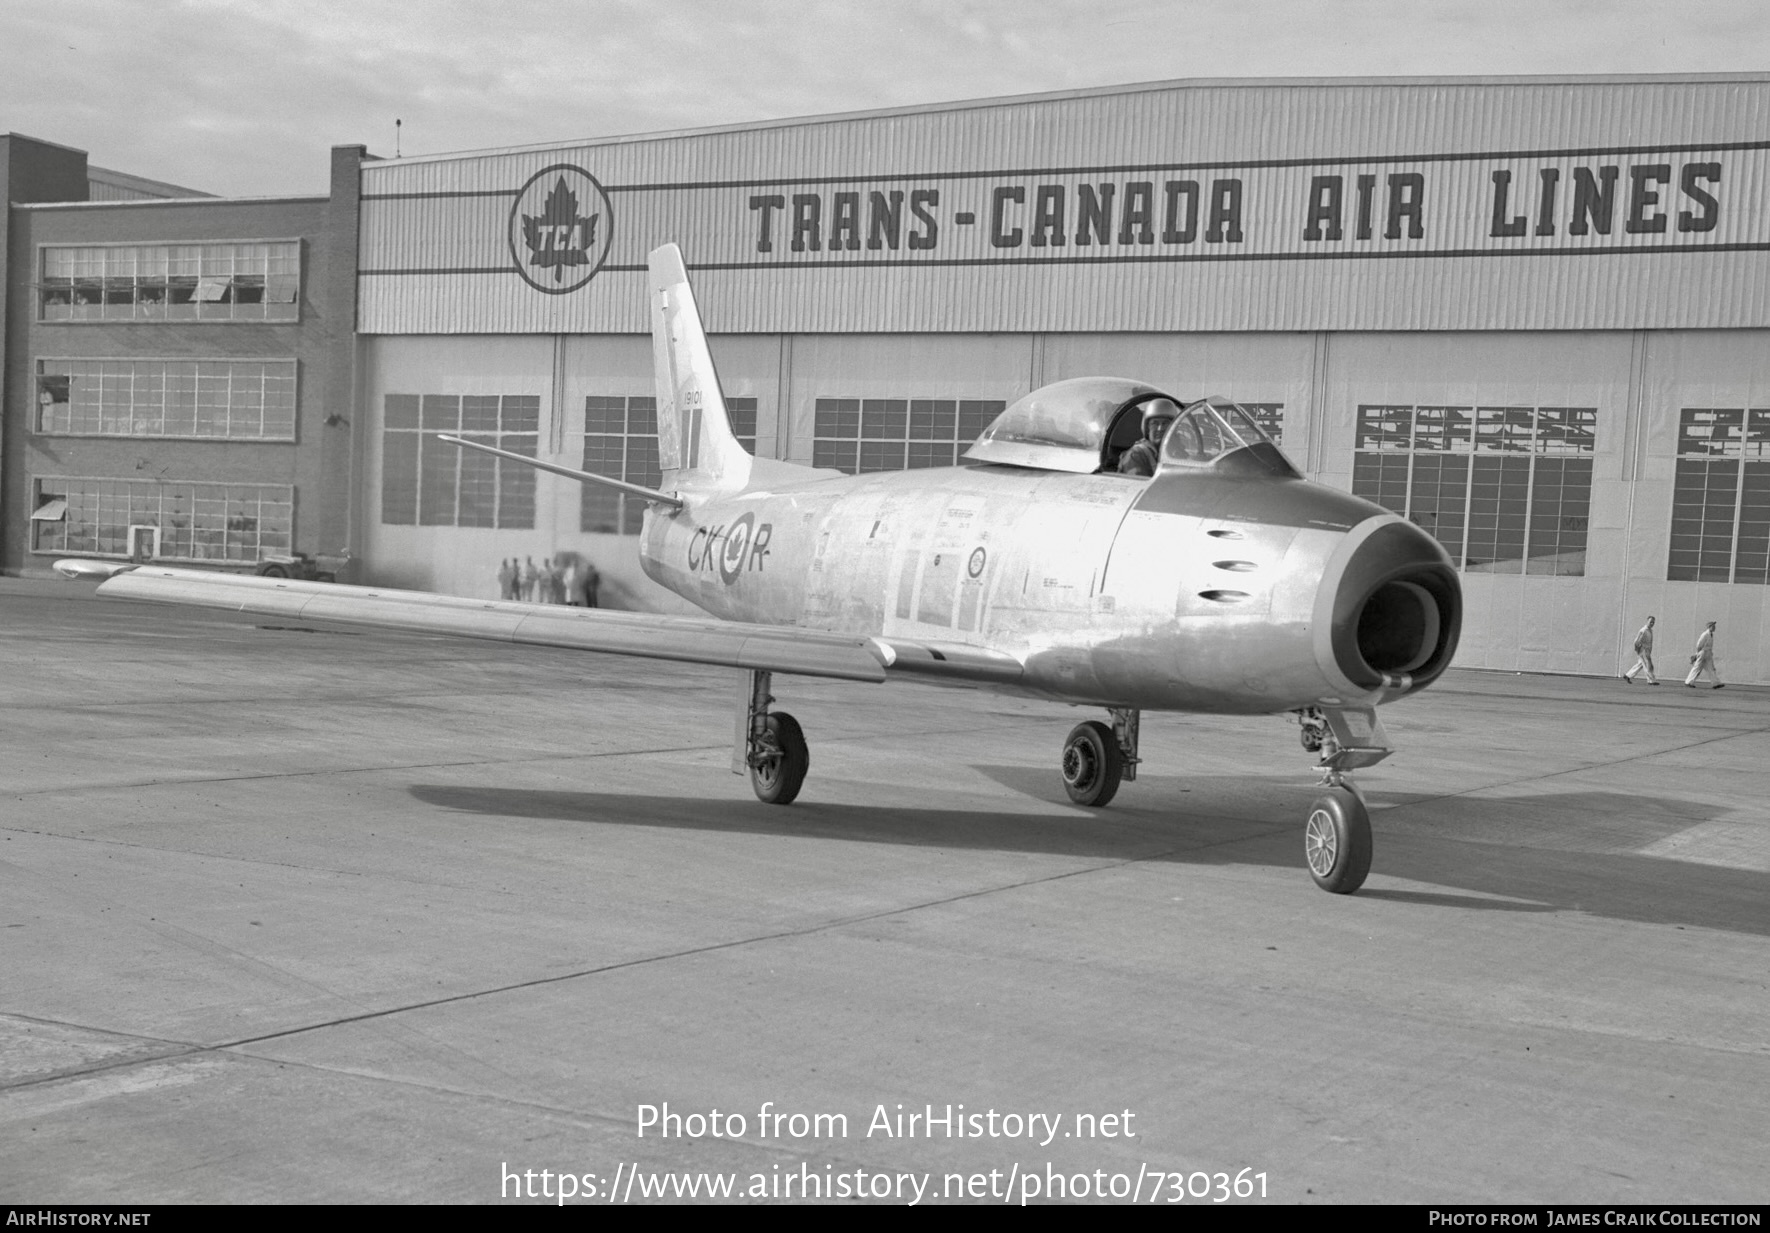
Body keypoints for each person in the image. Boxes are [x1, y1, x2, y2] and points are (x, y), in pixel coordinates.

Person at [1117, 399, 1179, 477]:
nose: (1160, 428)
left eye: (1165, 423)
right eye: (1155, 423)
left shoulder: (1177, 453)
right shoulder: (1136, 455)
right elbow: (1139, 487)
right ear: (1147, 428)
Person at [1685, 620, 1724, 689]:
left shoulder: (1711, 634)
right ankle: (1689, 682)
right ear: (1709, 627)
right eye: (1713, 626)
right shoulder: (1705, 634)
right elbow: (1699, 645)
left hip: (1708, 653)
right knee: (1697, 667)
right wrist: (1697, 654)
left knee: (1711, 668)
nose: (1714, 627)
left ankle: (1716, 683)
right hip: (1703, 652)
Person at [1622, 615, 1658, 684]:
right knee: (1648, 665)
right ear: (1647, 621)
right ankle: (1651, 680)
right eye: (1650, 622)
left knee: (1641, 664)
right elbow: (1637, 641)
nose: (1652, 624)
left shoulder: (1650, 630)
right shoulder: (1643, 630)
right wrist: (1637, 649)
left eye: (1653, 622)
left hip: (1647, 650)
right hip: (1643, 650)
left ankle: (1627, 675)